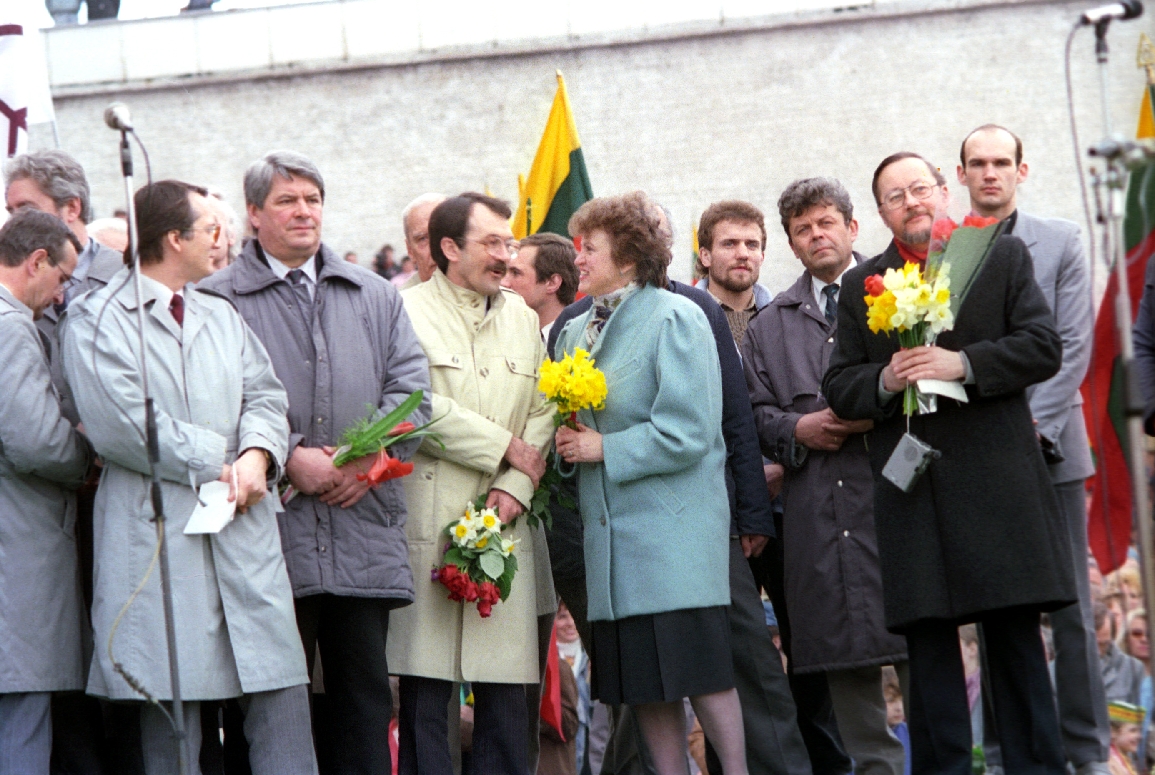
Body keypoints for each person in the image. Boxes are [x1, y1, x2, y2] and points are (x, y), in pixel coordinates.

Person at [822, 152, 1075, 775]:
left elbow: (1042, 347)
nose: (911, 202)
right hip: (918, 492)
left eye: (920, 188)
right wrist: (885, 379)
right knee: (930, 655)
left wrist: (963, 364)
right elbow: (841, 386)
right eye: (895, 196)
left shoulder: (996, 254)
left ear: (942, 190)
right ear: (879, 213)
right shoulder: (862, 284)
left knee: (1015, 646)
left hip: (998, 482)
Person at [60, 179, 317, 775]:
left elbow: (266, 395)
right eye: (211, 229)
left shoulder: (220, 314)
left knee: (280, 700)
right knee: (171, 725)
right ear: (174, 239)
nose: (223, 240)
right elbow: (123, 426)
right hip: (159, 540)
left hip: (243, 533)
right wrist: (218, 463)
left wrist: (258, 456)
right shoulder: (96, 320)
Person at [548, 198, 812, 775]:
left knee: (703, 676)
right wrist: (568, 448)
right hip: (613, 550)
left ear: (626, 256)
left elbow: (690, 431)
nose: (578, 259)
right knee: (646, 687)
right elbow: (571, 432)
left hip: (673, 545)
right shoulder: (572, 331)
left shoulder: (676, 317)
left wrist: (604, 448)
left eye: (589, 248)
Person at [199, 151, 430, 775]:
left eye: (313, 199)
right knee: (265, 706)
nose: (304, 212)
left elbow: (413, 393)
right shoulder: (216, 299)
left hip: (361, 530)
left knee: (364, 704)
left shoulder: (375, 294)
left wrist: (365, 461)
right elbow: (207, 406)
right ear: (253, 213)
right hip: (267, 537)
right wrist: (286, 456)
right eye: (287, 201)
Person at [744, 178, 909, 775]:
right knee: (845, 663)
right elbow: (753, 413)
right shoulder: (769, 325)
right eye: (802, 229)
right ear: (791, 243)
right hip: (816, 511)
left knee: (922, 645)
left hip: (897, 496)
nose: (816, 236)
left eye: (825, 223)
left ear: (852, 227)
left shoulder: (903, 294)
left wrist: (874, 405)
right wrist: (798, 428)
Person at [956, 123, 1108, 775]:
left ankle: (1087, 750)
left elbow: (1071, 346)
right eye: (977, 163)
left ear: (1021, 170)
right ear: (960, 174)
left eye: (1000, 162)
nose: (989, 172)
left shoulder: (1063, 240)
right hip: (981, 458)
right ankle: (997, 754)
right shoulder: (946, 253)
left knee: (1071, 609)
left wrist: (1031, 428)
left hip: (1053, 449)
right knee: (994, 607)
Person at [389, 192, 555, 775]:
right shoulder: (401, 311)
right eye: (492, 243)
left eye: (510, 243)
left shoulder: (522, 317)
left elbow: (544, 410)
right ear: (450, 248)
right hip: (431, 529)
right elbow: (410, 405)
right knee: (426, 708)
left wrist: (516, 486)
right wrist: (502, 445)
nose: (506, 256)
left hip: (506, 527)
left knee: (506, 712)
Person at [0, 209, 91, 775]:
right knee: (21, 727)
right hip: (17, 560)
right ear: (36, 261)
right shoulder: (11, 327)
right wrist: (87, 454)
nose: (61, 296)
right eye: (61, 278)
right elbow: (35, 442)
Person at [694, 199, 773, 347]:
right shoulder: (682, 321)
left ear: (762, 257)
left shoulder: (784, 323)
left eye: (752, 245)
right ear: (705, 256)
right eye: (729, 244)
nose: (743, 254)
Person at [501, 231, 578, 340]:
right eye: (505, 272)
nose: (503, 283)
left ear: (552, 283)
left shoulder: (578, 341)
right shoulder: (503, 335)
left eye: (516, 273)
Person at [400, 193, 447, 288]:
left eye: (443, 233)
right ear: (410, 251)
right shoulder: (403, 297)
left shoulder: (478, 287)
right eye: (423, 239)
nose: (436, 249)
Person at [1107, 703, 1144, 775]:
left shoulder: (1124, 758)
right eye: (1133, 730)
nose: (1140, 736)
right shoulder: (1109, 763)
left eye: (1140, 730)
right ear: (1113, 732)